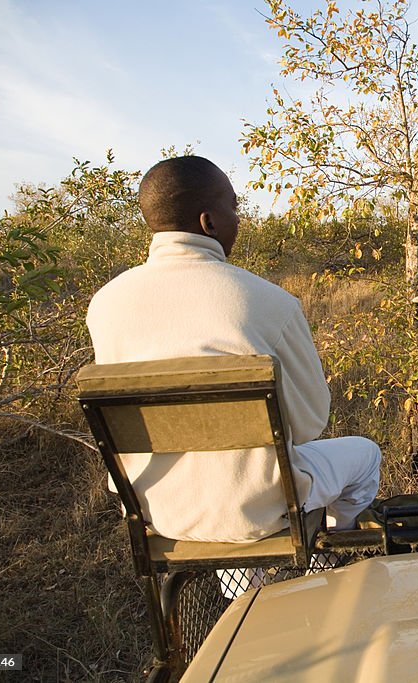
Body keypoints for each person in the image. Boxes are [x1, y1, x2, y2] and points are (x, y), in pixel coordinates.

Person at [86, 155, 381, 544]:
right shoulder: (269, 301)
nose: (238, 220)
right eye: (234, 208)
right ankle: (330, 551)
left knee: (235, 485)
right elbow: (310, 423)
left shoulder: (106, 303)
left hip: (156, 508)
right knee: (365, 455)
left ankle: (243, 594)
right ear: (208, 221)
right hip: (255, 509)